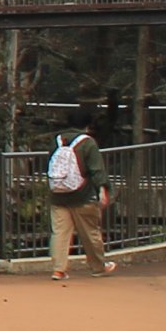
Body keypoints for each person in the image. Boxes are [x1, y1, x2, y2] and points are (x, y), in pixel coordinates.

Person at [46, 114, 116, 281]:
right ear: (87, 126)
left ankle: (58, 270)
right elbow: (96, 170)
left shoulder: (57, 140)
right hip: (82, 195)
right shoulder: (87, 143)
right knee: (90, 233)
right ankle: (98, 268)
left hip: (58, 195)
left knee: (60, 234)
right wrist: (103, 189)